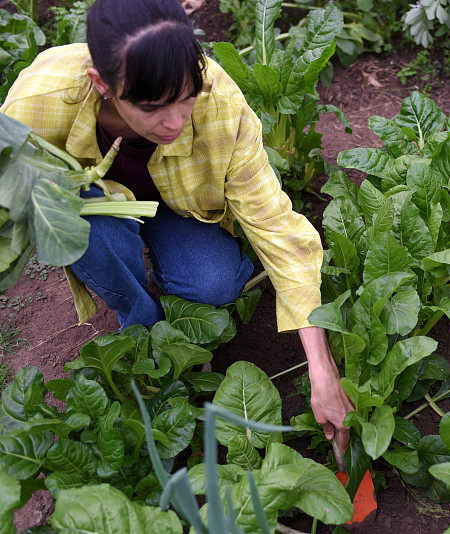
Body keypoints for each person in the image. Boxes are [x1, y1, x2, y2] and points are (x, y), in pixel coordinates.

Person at [0, 0, 352, 450]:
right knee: (86, 227)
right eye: (151, 108)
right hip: (95, 209)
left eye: (185, 98)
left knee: (216, 283)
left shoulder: (219, 101)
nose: (174, 122)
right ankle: (140, 324)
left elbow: (275, 223)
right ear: (102, 84)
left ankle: (167, 302)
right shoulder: (38, 104)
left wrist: (321, 368)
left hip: (175, 206)